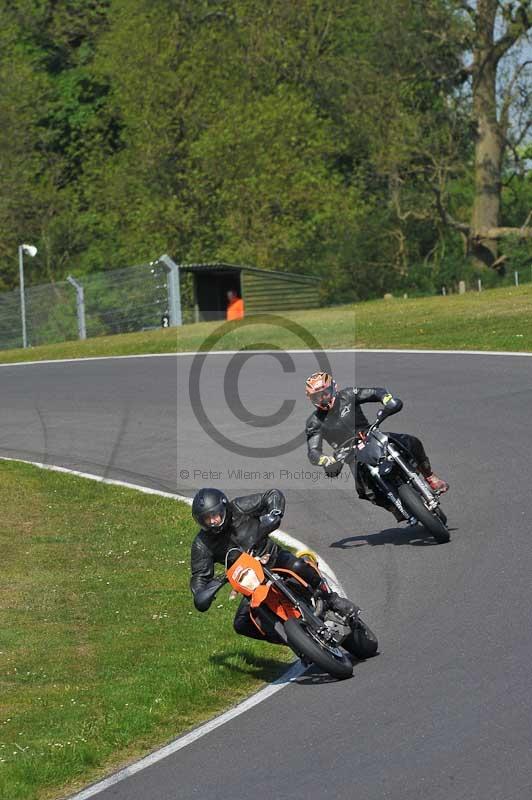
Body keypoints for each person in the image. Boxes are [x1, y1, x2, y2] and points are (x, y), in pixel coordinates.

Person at [190, 487, 356, 643]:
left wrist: (274, 512)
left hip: (274, 559)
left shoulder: (239, 507)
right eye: (206, 518)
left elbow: (270, 495)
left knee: (297, 566)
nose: (212, 521)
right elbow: (199, 576)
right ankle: (297, 642)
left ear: (224, 508)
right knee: (242, 624)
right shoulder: (202, 543)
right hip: (251, 582)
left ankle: (332, 600)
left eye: (215, 515)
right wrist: (200, 593)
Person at [304, 372, 449, 521]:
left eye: (325, 393)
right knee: (366, 492)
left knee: (412, 442)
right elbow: (313, 451)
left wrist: (388, 401)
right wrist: (326, 461)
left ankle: (430, 476)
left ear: (334, 388)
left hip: (371, 436)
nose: (322, 398)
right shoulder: (314, 422)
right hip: (349, 454)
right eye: (317, 397)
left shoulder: (348, 395)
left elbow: (376, 392)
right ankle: (393, 507)